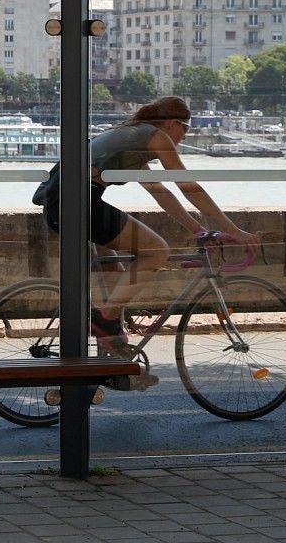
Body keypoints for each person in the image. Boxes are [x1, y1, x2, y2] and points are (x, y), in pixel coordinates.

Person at [43, 96, 262, 354]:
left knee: (118, 274)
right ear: (172, 123)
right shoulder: (156, 137)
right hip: (78, 201)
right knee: (156, 251)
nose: (185, 135)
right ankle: (102, 322)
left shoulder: (137, 139)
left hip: (66, 201)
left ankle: (111, 342)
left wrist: (198, 230)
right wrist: (235, 231)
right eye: (185, 128)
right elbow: (189, 187)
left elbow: (161, 193)